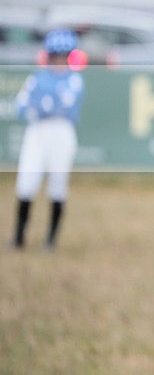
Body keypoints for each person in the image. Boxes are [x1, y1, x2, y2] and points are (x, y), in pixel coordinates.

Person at [11, 28, 84, 250]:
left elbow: (64, 106)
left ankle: (51, 240)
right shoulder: (38, 77)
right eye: (55, 56)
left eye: (63, 56)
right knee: (26, 183)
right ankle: (19, 237)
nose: (59, 61)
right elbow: (22, 105)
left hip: (60, 133)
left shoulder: (74, 80)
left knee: (57, 185)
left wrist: (42, 105)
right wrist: (41, 107)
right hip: (38, 133)